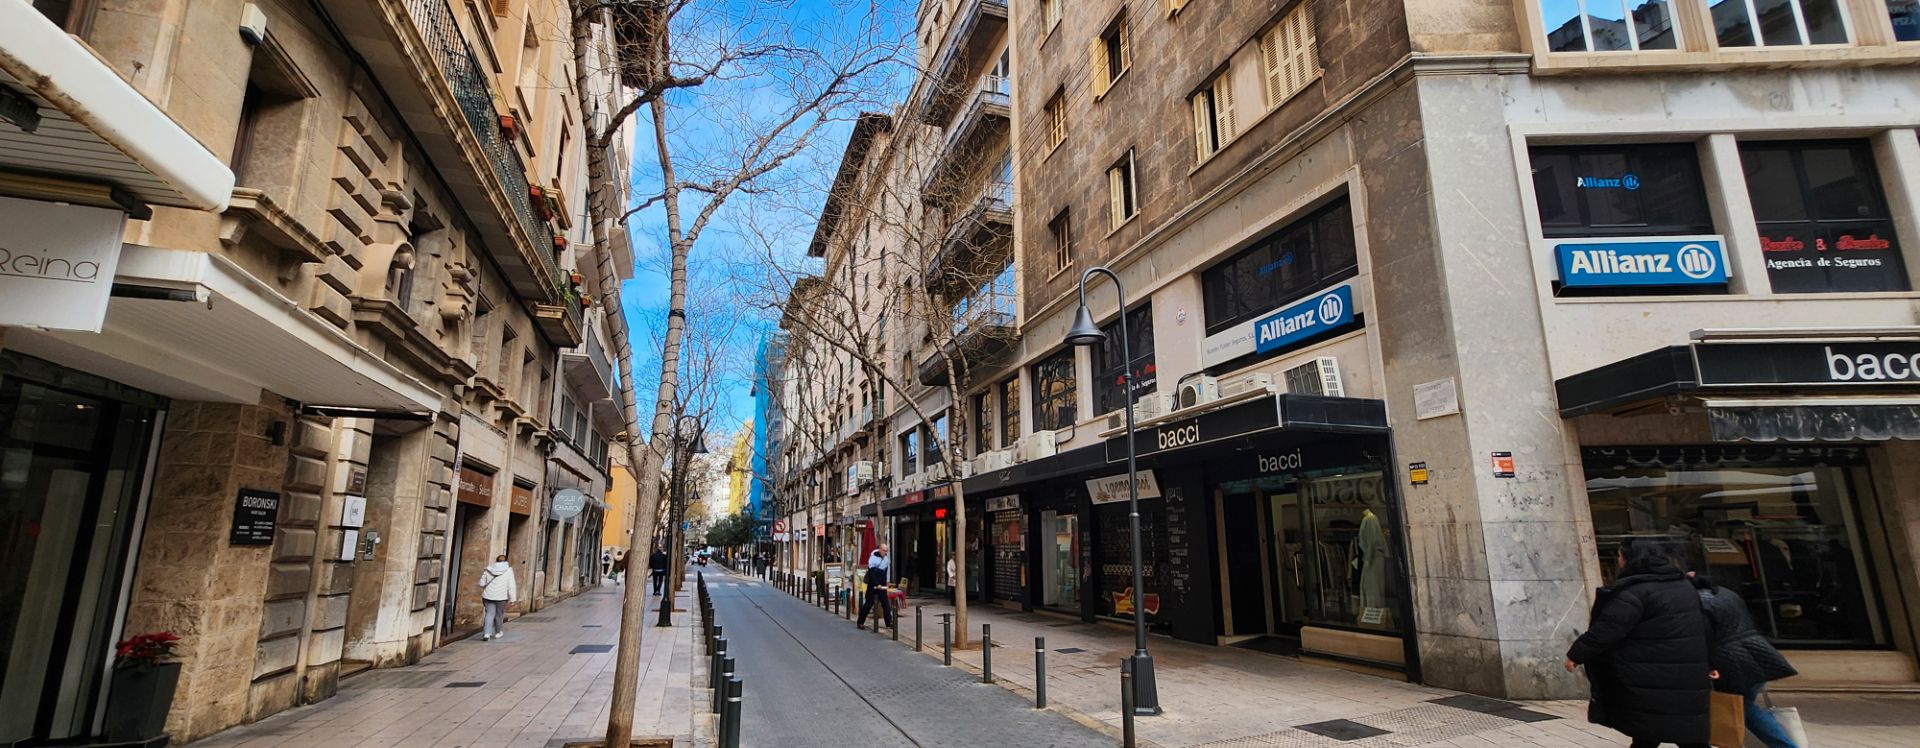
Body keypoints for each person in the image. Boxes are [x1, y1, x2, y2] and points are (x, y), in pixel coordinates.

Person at [1565, 541, 1712, 748]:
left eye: (1620, 556)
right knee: (1683, 735)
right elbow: (1703, 627)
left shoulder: (1634, 591)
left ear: (1630, 559)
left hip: (1651, 675)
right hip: (1687, 675)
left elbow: (1608, 628)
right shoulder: (1683, 587)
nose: (1618, 561)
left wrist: (1576, 654)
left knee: (1651, 731)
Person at [1695, 575, 1800, 748]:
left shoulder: (1700, 604)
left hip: (1731, 659)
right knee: (1744, 705)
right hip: (1756, 651)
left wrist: (1709, 665)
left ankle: (1784, 745)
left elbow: (1704, 635)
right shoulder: (1727, 594)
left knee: (1743, 707)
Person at [478, 554, 517, 641]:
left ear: (496, 561)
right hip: (501, 597)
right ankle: (498, 632)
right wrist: (513, 599)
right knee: (499, 615)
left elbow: (481, 583)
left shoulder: (488, 569)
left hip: (488, 596)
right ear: (506, 562)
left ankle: (487, 634)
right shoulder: (509, 571)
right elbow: (511, 586)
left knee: (489, 614)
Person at [858, 544, 895, 628]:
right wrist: (876, 583)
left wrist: (887, 581)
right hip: (873, 583)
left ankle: (889, 622)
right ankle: (860, 622)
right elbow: (871, 572)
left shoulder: (885, 558)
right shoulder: (873, 558)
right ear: (880, 550)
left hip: (882, 583)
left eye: (886, 551)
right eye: (884, 551)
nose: (885, 553)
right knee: (868, 604)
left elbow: (886, 571)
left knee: (885, 604)